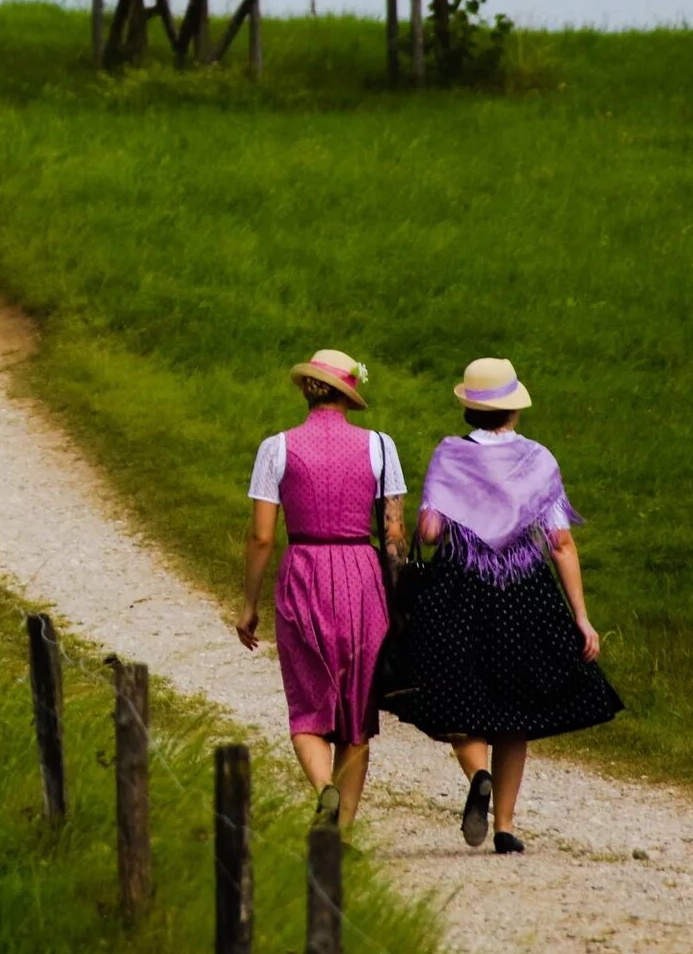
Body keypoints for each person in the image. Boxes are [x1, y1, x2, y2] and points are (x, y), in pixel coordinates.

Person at [391, 356, 624, 854]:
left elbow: (431, 532)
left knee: (453, 696)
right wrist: (581, 617)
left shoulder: (450, 454)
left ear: (469, 410)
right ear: (513, 410)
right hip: (524, 594)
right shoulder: (538, 459)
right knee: (515, 712)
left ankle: (478, 774)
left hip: (460, 590)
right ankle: (506, 826)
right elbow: (560, 542)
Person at [237, 347, 407, 824]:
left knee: (309, 709)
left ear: (307, 392)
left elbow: (263, 536)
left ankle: (323, 788)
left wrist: (249, 603)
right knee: (356, 720)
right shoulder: (380, 446)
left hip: (304, 573)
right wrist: (401, 606)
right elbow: (394, 534)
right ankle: (343, 833)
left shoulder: (277, 448)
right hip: (362, 579)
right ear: (349, 396)